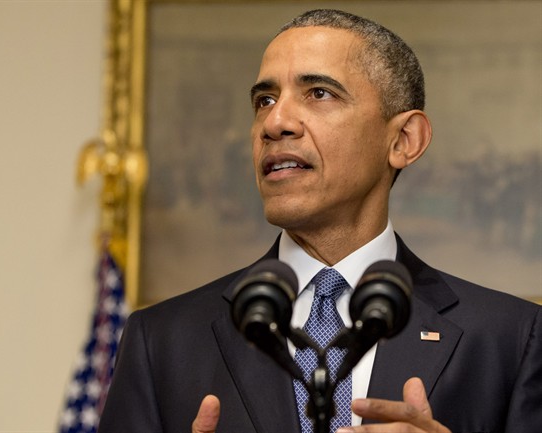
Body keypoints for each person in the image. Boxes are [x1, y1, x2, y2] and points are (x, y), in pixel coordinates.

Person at [98, 9, 542, 433]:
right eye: (264, 100)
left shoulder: (510, 338)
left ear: (404, 140)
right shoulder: (161, 341)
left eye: (319, 93)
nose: (275, 122)